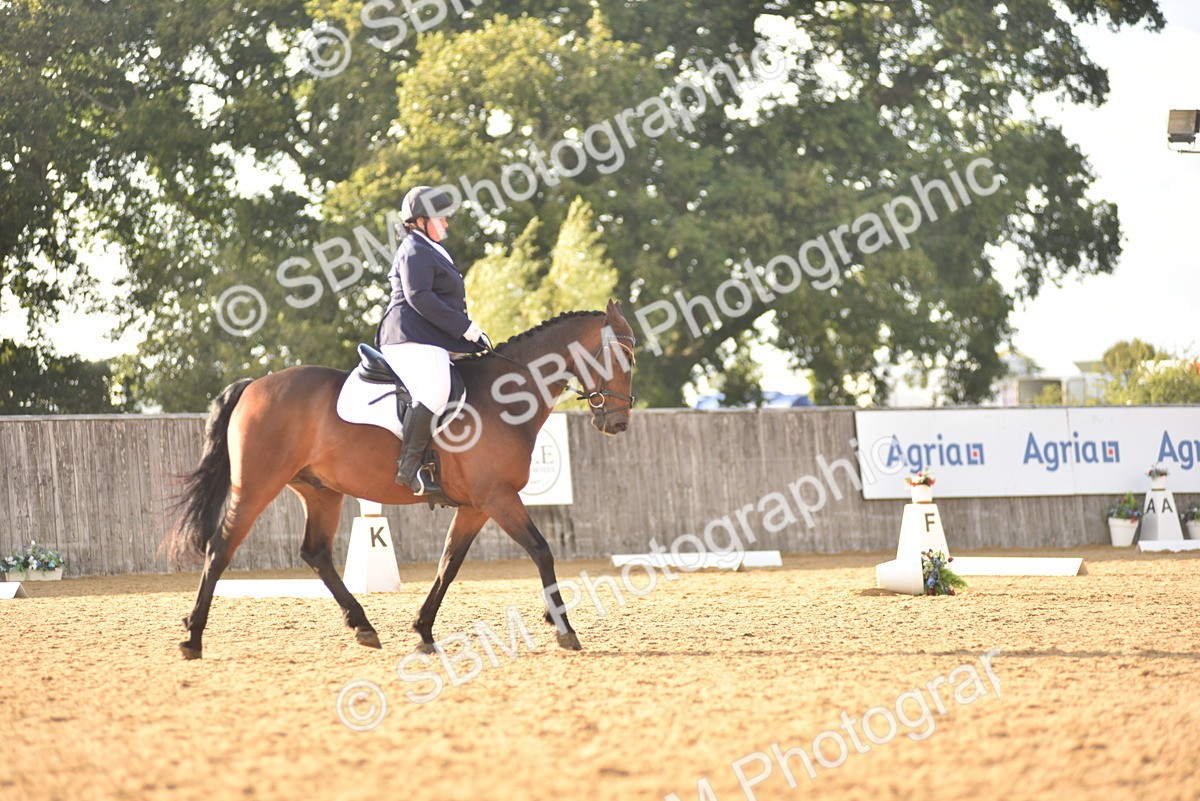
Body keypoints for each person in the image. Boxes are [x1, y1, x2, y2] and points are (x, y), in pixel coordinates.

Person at [377, 185, 487, 496]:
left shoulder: (431, 248)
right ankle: (408, 467)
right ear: (421, 220)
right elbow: (418, 297)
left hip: (428, 336)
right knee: (437, 388)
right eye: (441, 218)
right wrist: (464, 328)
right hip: (407, 335)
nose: (447, 224)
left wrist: (470, 338)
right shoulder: (414, 249)